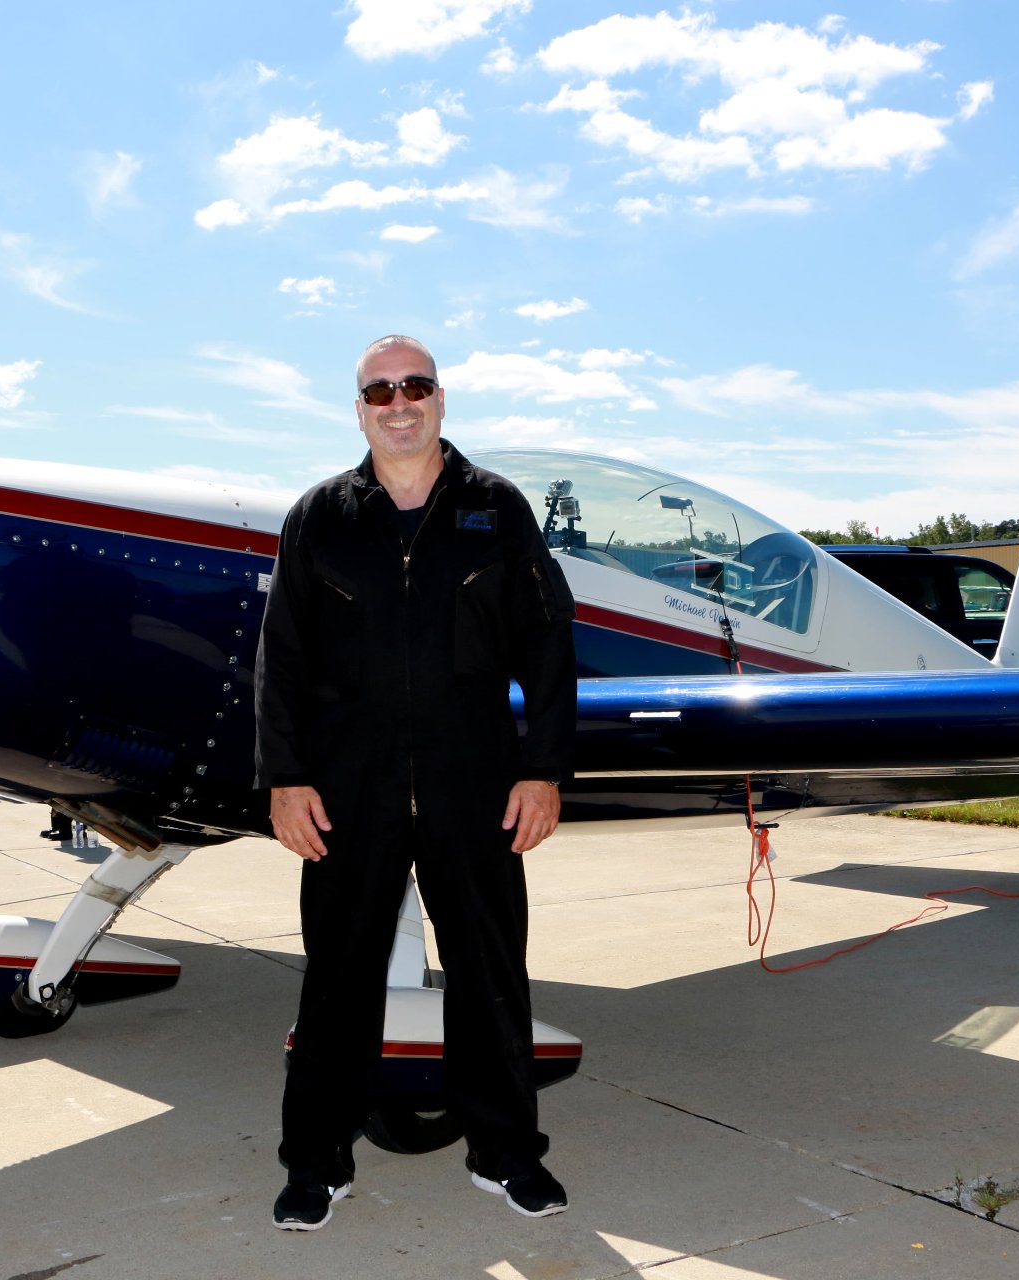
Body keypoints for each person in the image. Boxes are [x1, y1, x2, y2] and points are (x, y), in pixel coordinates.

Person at [255, 334, 576, 1231]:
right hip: (347, 786)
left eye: (415, 387)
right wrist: (285, 778)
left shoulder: (497, 509)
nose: (399, 404)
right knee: (337, 977)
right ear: (359, 410)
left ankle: (507, 1154)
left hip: (473, 779)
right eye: (379, 391)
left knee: (490, 970)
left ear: (440, 400)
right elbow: (282, 656)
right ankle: (316, 1162)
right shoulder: (319, 517)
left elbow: (548, 641)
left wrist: (543, 769)